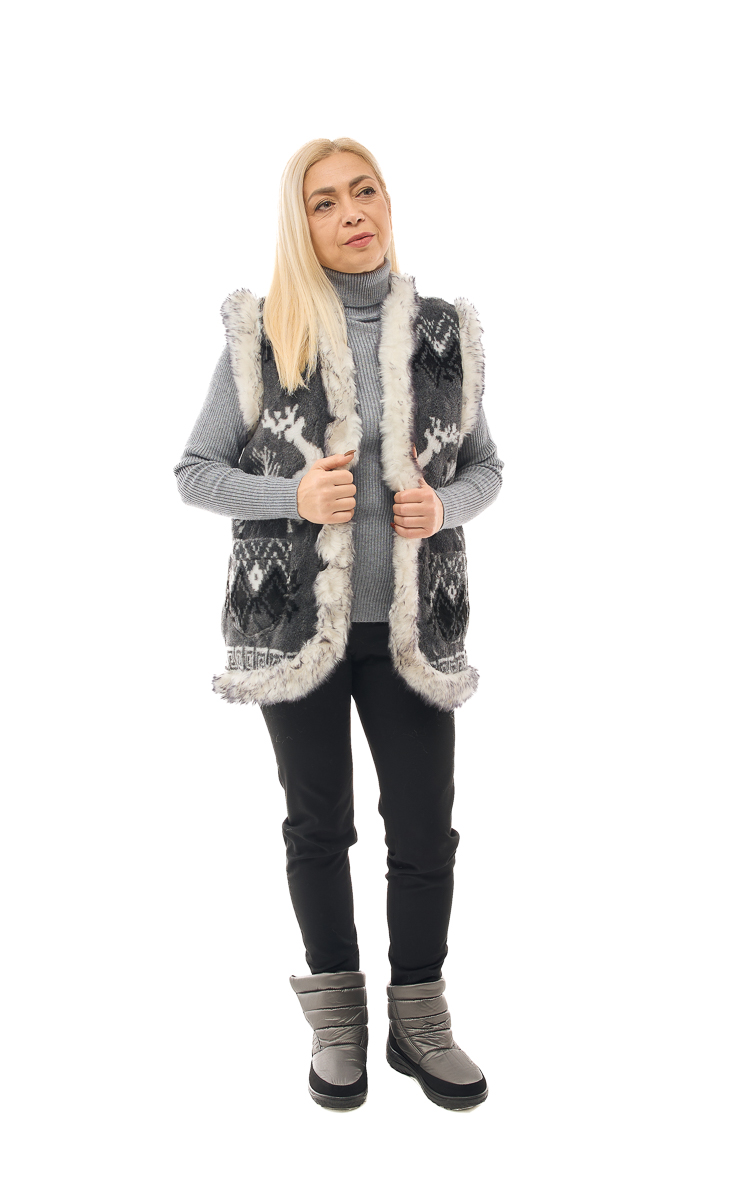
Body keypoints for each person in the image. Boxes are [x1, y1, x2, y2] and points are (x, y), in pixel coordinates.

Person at [174, 137, 504, 1111]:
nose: (352, 212)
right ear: (302, 223)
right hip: (294, 630)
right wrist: (293, 495)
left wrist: (444, 507)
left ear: (388, 203)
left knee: (425, 829)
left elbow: (486, 467)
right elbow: (196, 471)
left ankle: (420, 1022)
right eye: (325, 201)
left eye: (366, 191)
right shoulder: (267, 333)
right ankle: (339, 1025)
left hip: (412, 629)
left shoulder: (443, 334)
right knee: (319, 825)